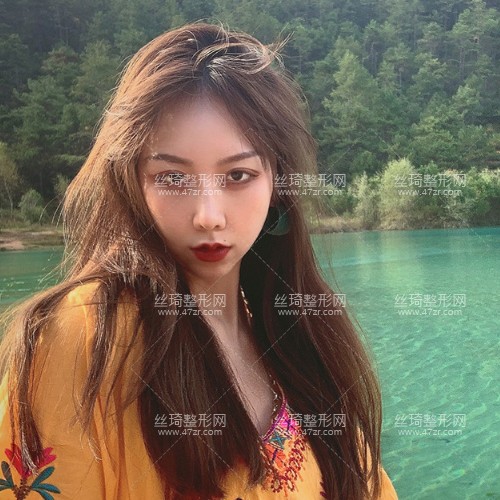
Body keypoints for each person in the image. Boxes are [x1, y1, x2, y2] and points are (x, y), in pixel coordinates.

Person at [0, 22, 398, 499]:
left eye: (238, 175)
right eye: (173, 177)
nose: (208, 215)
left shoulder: (295, 334)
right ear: (132, 183)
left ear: (277, 183)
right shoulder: (83, 335)